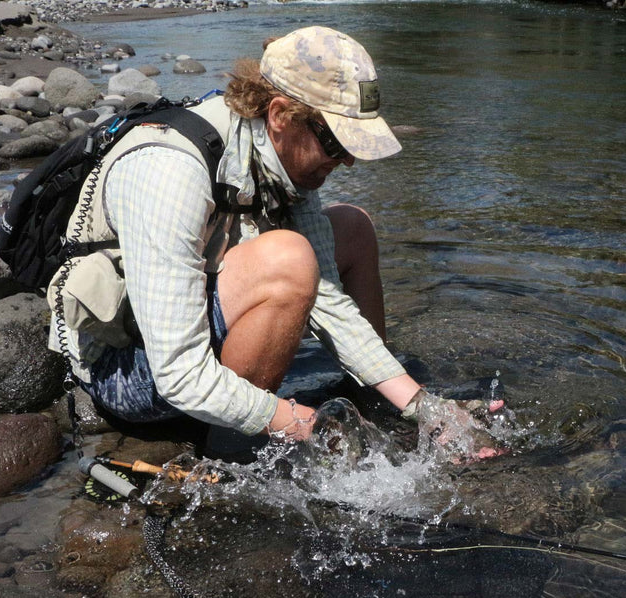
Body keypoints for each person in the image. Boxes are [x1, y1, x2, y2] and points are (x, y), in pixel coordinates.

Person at [48, 26, 501, 459]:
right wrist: (308, 426)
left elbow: (330, 300)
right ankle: (230, 444)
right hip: (126, 370)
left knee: (353, 227)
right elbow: (178, 376)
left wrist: (424, 408)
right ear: (281, 115)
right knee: (289, 260)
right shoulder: (170, 169)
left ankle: (372, 397)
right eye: (336, 143)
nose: (347, 162)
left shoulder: (283, 160)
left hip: (184, 336)